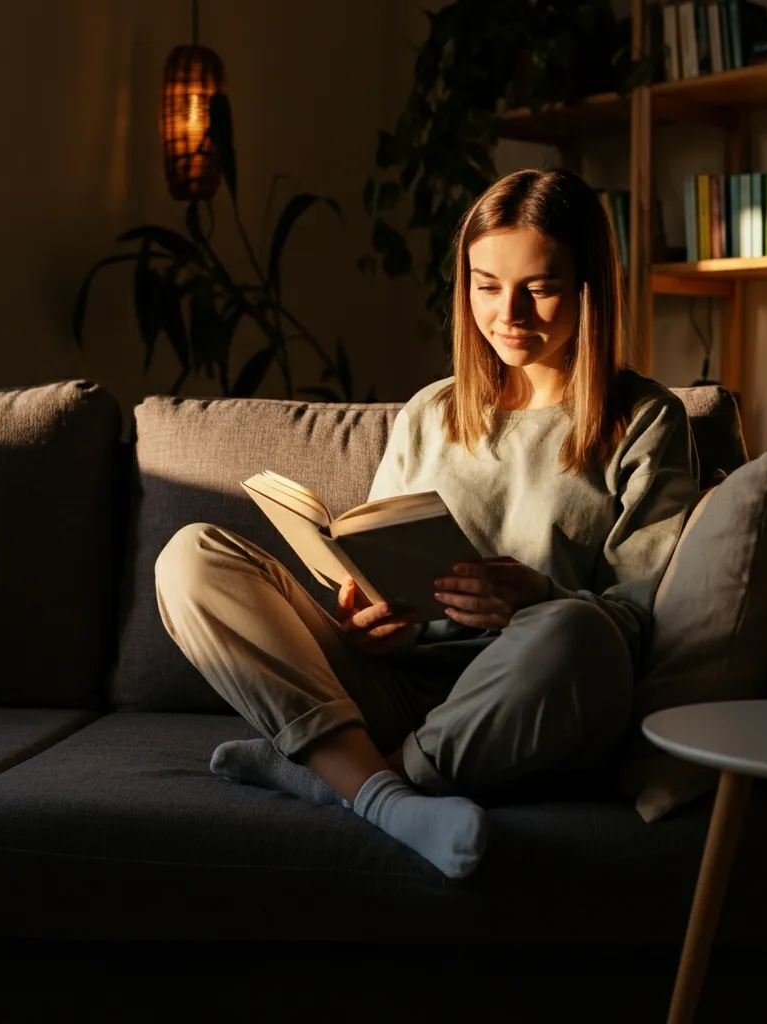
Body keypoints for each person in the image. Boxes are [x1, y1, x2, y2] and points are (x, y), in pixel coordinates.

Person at [154, 167, 701, 881]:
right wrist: (366, 618)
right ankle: (382, 789)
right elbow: (379, 562)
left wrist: (538, 601)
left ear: (591, 285)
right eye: (485, 284)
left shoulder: (646, 421)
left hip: (524, 699)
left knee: (580, 634)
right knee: (190, 555)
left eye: (539, 287)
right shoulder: (431, 411)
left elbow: (651, 616)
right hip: (397, 687)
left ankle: (345, 778)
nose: (510, 313)